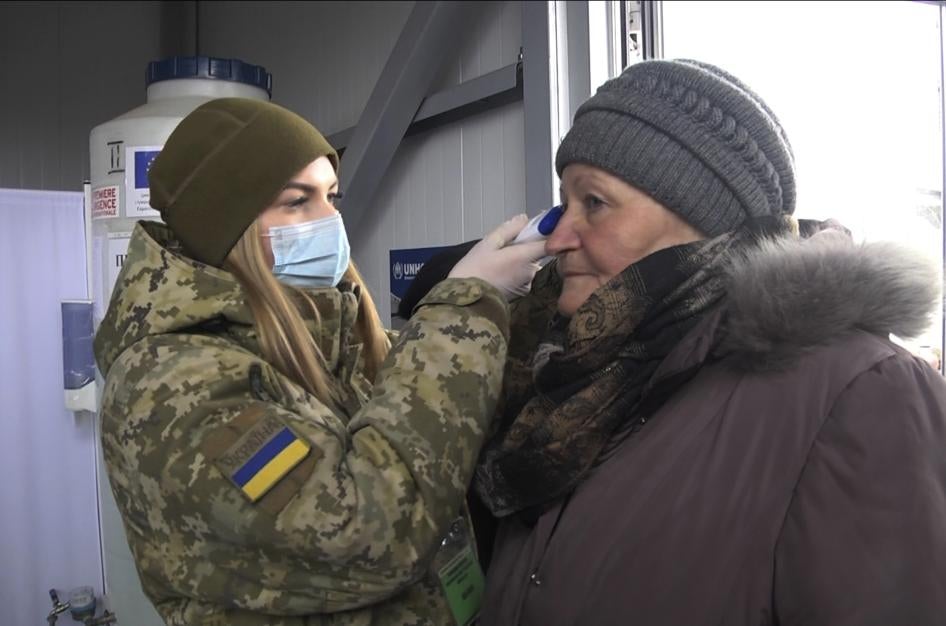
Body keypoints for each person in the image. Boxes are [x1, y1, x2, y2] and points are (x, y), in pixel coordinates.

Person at [470, 59, 946, 624]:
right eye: (564, 202)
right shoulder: (574, 375)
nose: (558, 238)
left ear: (704, 220)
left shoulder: (860, 393)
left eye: (593, 202)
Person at [92, 98, 545, 626]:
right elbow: (369, 531)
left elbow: (425, 410)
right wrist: (463, 307)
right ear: (223, 226)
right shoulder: (171, 384)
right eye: (296, 201)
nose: (330, 220)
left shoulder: (328, 338)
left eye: (331, 196)